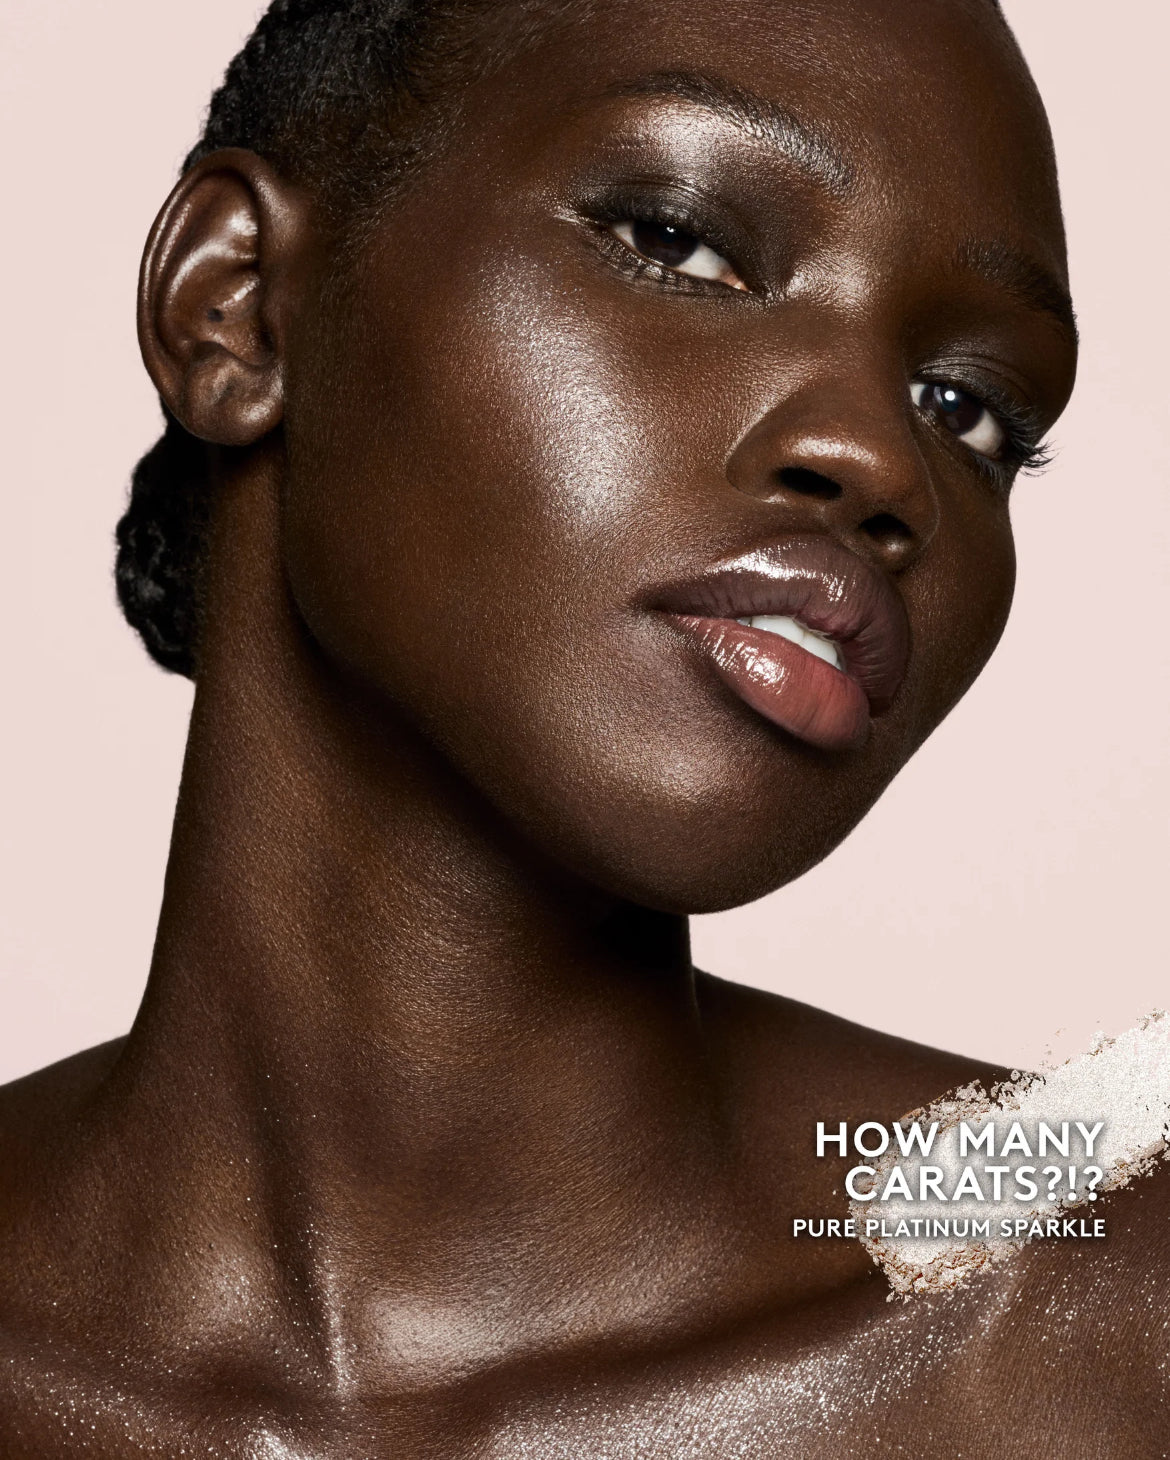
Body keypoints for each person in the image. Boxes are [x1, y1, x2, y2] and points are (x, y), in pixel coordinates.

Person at [1, 0, 1164, 1452]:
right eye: (677, 241)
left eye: (969, 407)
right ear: (234, 306)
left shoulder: (1114, 1329)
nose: (879, 457)